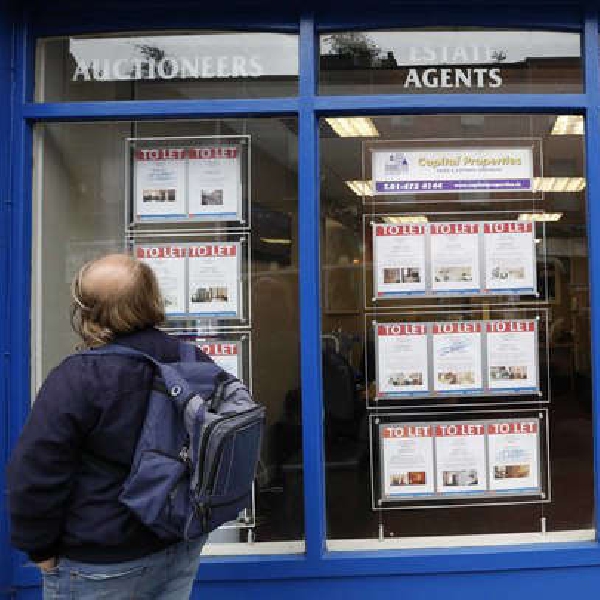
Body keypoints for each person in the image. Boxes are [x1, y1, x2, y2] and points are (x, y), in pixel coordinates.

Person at [6, 253, 212, 599]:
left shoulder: (80, 376)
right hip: (177, 544)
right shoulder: (190, 360)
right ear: (150, 299)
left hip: (100, 562)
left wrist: (38, 548)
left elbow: (36, 472)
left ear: (89, 311)